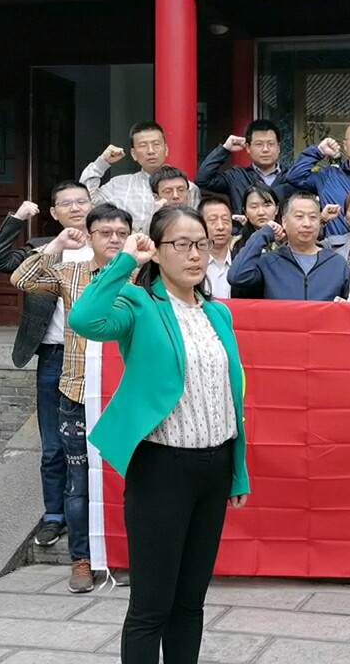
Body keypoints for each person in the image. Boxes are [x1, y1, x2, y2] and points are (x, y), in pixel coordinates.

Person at [68, 207, 250, 664]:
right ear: (158, 251)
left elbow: (231, 397)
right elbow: (85, 319)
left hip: (214, 468)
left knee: (191, 601)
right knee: (152, 605)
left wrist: (238, 472)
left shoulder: (218, 314)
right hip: (161, 469)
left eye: (201, 244)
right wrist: (125, 261)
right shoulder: (139, 304)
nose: (194, 255)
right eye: (181, 245)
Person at [10, 203, 134, 594]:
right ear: (91, 237)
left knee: (126, 480)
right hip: (77, 392)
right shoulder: (72, 273)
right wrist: (58, 244)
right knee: (78, 481)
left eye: (121, 233)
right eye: (105, 233)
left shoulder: (141, 274)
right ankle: (82, 559)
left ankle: (122, 556)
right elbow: (22, 278)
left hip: (125, 396)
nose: (114, 240)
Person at [0, 181, 92, 549]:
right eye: (66, 203)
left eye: (82, 201)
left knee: (92, 440)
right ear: (55, 213)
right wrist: (18, 218)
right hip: (54, 356)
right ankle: (54, 516)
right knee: (53, 445)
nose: (75, 207)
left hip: (95, 356)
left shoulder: (106, 248)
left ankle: (89, 513)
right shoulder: (42, 248)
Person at [80, 121, 199, 236]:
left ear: (166, 150)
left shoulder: (187, 188)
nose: (151, 151)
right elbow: (86, 199)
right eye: (143, 145)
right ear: (133, 154)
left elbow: (197, 226)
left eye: (156, 144)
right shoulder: (118, 185)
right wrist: (102, 162)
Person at [227, 193, 350, 301]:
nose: (307, 224)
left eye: (313, 217)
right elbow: (237, 277)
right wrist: (263, 234)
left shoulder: (337, 263)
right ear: (284, 222)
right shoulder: (269, 262)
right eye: (299, 217)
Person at [196, 119, 292, 213]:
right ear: (248, 148)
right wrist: (225, 149)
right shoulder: (237, 176)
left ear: (278, 147)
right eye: (259, 144)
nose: (265, 149)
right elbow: (203, 180)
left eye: (271, 144)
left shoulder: (291, 178)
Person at [231, 183, 284, 257]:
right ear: (245, 212)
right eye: (254, 207)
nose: (261, 212)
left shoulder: (287, 241)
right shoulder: (235, 243)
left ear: (277, 209)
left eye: (267, 205)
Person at [200, 196, 234, 299]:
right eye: (212, 221)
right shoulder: (192, 263)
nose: (220, 227)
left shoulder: (240, 262)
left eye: (226, 220)